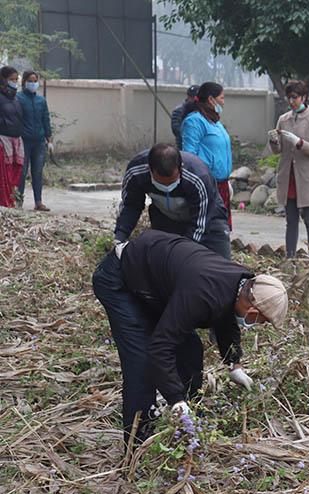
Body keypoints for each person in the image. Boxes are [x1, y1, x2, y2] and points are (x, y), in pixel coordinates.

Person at [92, 230, 288, 443]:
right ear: (253, 312)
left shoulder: (240, 283)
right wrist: (175, 398)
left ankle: (192, 419)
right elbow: (160, 347)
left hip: (154, 283)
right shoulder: (203, 293)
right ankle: (137, 447)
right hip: (120, 279)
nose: (259, 325)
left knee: (190, 348)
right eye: (262, 321)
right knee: (142, 365)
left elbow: (226, 318)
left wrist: (234, 364)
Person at [114, 143, 232, 259]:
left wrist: (183, 252)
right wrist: (120, 237)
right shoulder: (136, 172)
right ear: (149, 169)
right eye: (160, 182)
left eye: (172, 182)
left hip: (208, 218)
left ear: (181, 167)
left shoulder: (198, 176)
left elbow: (199, 225)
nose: (167, 186)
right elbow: (131, 206)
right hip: (165, 217)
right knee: (162, 262)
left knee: (219, 263)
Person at [268, 80, 309, 259]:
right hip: (288, 177)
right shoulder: (283, 119)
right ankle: (290, 258)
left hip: (307, 178)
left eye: (295, 97)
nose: (291, 101)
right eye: (289, 98)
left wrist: (299, 143)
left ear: (304, 97)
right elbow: (279, 151)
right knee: (290, 221)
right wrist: (274, 142)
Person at [182, 82, 233, 228]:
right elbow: (189, 156)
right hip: (206, 185)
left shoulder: (214, 121)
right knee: (209, 229)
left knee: (220, 229)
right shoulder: (194, 121)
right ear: (211, 99)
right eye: (222, 98)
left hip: (221, 185)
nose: (223, 103)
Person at [16, 70, 52, 212]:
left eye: (35, 81)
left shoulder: (41, 101)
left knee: (37, 171)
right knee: (22, 172)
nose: (33, 83)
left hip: (39, 141)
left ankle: (38, 202)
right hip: (24, 140)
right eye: (30, 81)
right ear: (24, 82)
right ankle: (19, 200)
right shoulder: (18, 99)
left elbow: (46, 120)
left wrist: (49, 140)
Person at [0, 65, 23, 209]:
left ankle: (11, 203)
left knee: (16, 172)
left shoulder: (16, 99)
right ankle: (4, 204)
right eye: (11, 79)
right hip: (3, 140)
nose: (14, 82)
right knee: (4, 175)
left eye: (16, 79)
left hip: (16, 140)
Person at [171, 84, 198, 152]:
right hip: (183, 147)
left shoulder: (201, 110)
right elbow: (177, 130)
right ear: (188, 97)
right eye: (193, 98)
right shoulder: (178, 111)